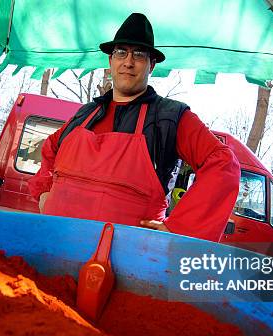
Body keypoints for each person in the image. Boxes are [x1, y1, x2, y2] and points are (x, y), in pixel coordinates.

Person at [28, 13, 240, 242]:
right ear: (111, 60)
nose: (128, 62)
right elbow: (50, 148)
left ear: (152, 65)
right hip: (53, 245)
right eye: (121, 52)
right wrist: (43, 191)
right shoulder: (85, 114)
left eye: (138, 55)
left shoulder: (170, 117)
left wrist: (179, 230)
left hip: (128, 263)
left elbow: (223, 164)